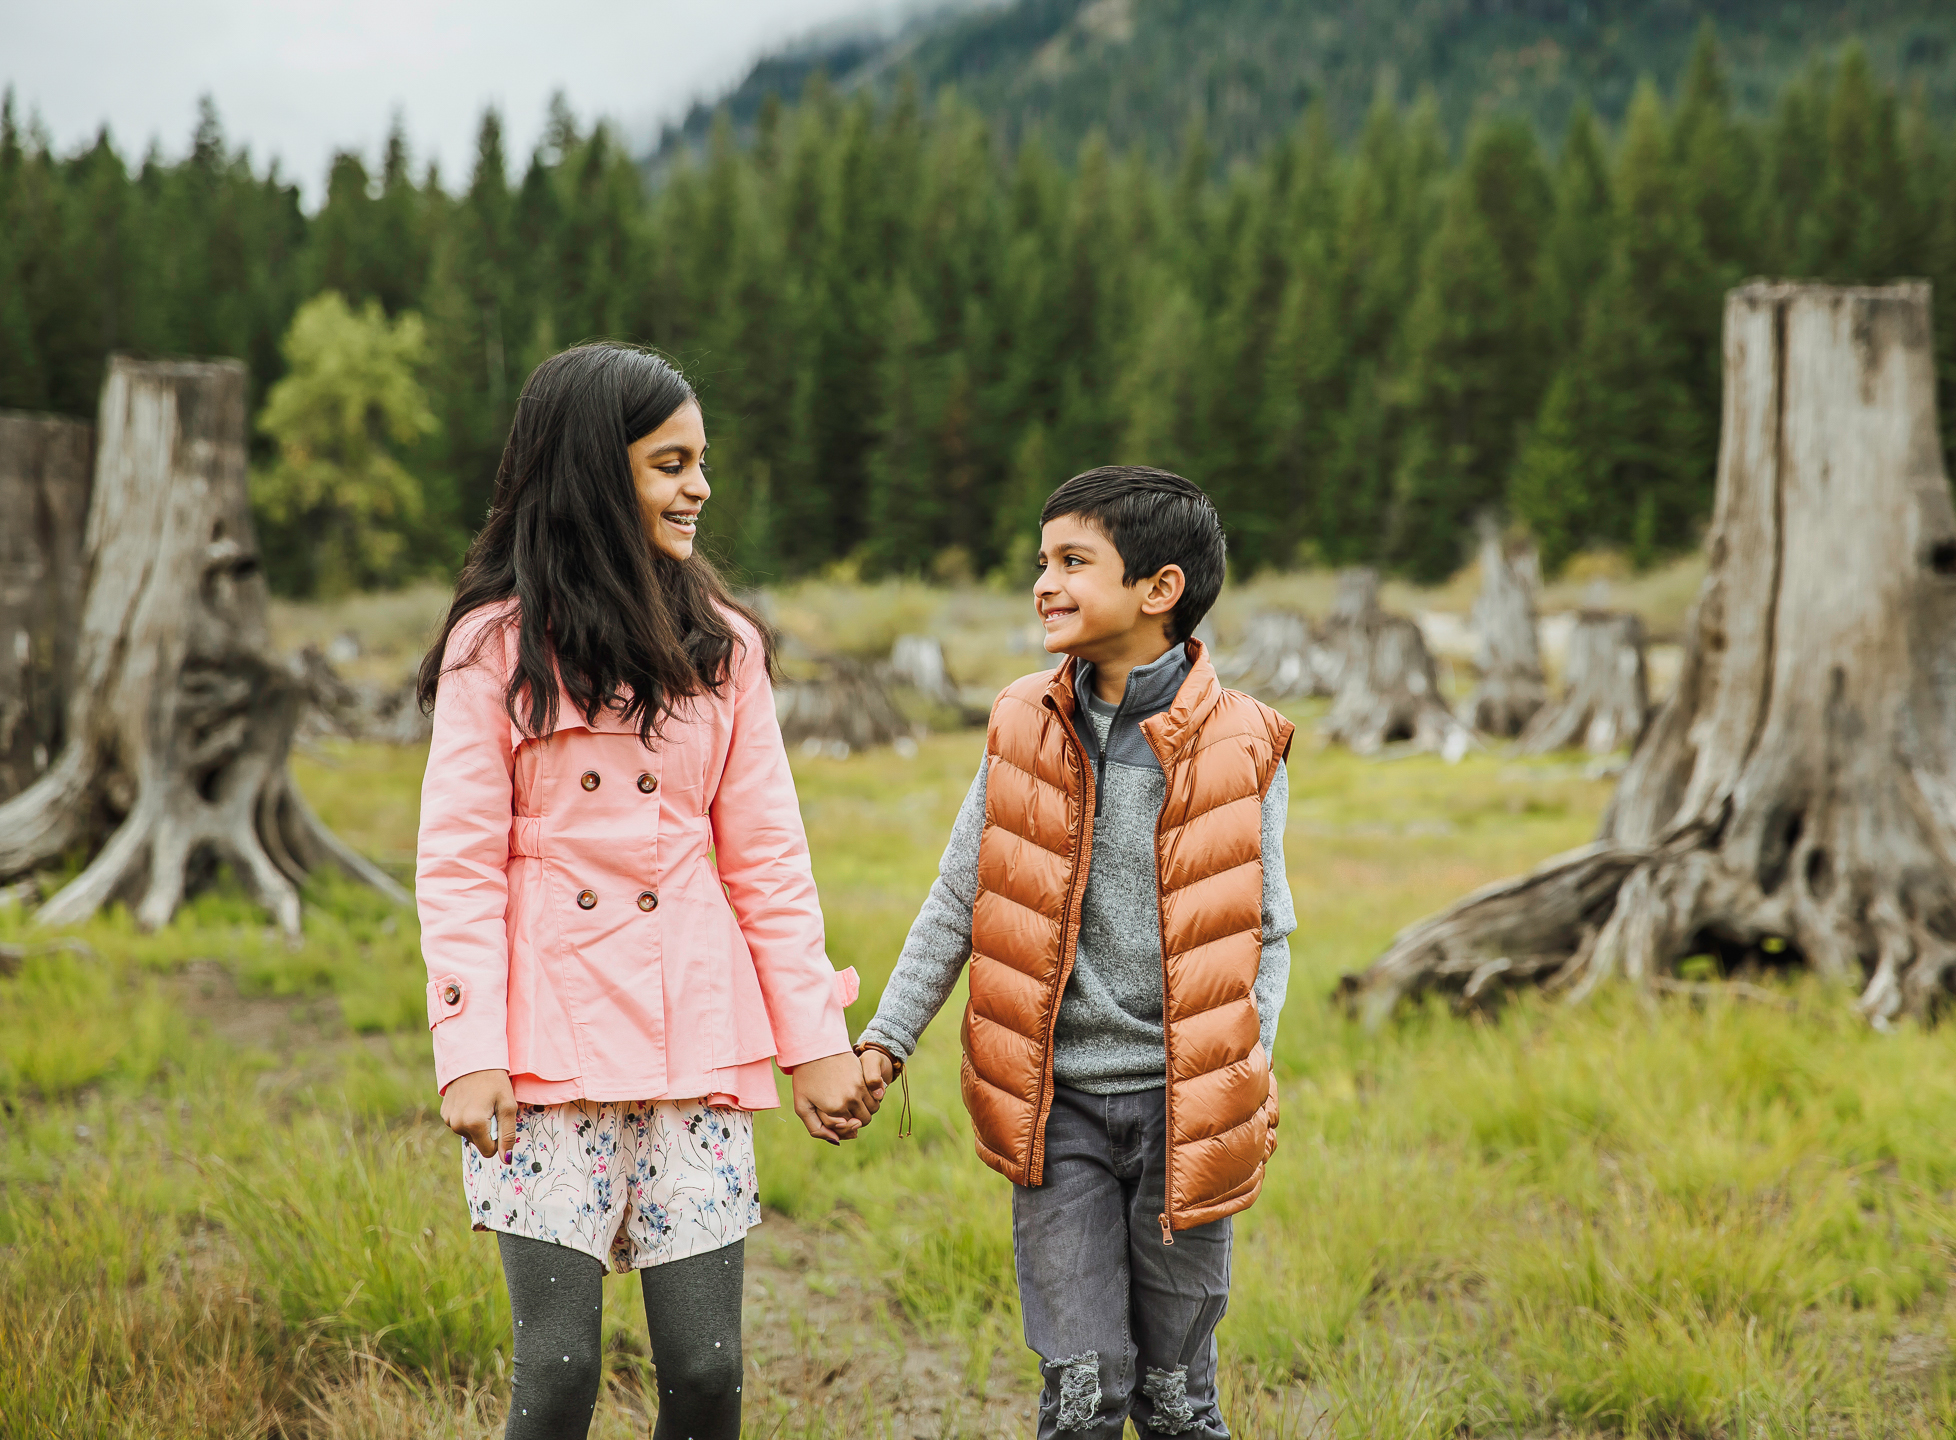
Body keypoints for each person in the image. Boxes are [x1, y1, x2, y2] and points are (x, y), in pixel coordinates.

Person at [414, 343, 874, 1440]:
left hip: (694, 1050)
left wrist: (813, 1041)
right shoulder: (494, 649)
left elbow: (767, 857)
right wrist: (468, 1047)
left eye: (701, 461)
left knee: (709, 1377)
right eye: (671, 463)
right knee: (561, 1372)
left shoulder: (725, 651)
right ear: (592, 472)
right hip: (544, 1054)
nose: (700, 487)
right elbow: (459, 862)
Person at [855, 466, 1296, 1439]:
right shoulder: (1024, 724)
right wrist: (885, 1041)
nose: (1043, 583)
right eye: (1040, 562)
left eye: (1071, 562)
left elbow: (1267, 934)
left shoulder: (1243, 744)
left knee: (1177, 1407)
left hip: (1187, 1116)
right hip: (1057, 1118)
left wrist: (1232, 1074)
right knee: (1085, 1397)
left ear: (1159, 588)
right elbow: (961, 896)